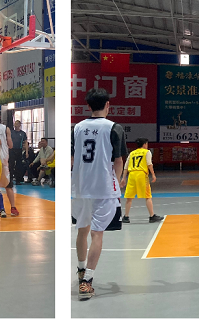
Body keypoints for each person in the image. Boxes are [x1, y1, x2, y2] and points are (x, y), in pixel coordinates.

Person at [72, 87, 127, 301]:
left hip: (81, 187)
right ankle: (87, 281)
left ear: (88, 106)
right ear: (108, 105)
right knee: (97, 233)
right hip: (103, 187)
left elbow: (72, 157)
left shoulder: (77, 128)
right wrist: (117, 183)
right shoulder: (114, 128)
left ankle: (80, 270)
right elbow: (118, 160)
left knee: (82, 230)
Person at [120, 138, 163, 224]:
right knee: (148, 196)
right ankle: (152, 216)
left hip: (131, 175)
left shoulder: (132, 153)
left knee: (129, 197)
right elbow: (149, 164)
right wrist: (153, 174)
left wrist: (123, 178)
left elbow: (126, 166)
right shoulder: (147, 152)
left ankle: (126, 216)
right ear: (144, 144)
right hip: (141, 175)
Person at [9, 119, 28, 185]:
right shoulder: (11, 132)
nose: (16, 125)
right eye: (15, 124)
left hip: (19, 150)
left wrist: (26, 152)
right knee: (11, 165)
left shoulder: (23, 133)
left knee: (19, 165)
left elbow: (26, 142)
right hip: (12, 150)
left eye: (17, 124)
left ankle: (18, 180)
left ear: (20, 125)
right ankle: (10, 180)